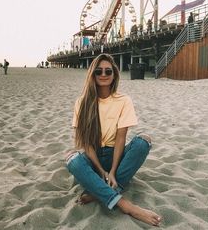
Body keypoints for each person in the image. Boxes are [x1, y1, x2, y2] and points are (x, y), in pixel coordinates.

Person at [66, 53, 162, 227]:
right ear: (92, 74)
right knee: (72, 159)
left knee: (143, 141)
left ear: (114, 74)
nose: (103, 74)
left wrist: (112, 171)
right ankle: (125, 205)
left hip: (115, 155)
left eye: (108, 71)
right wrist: (101, 170)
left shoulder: (123, 100)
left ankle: (97, 192)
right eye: (99, 71)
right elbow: (86, 143)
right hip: (93, 157)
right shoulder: (82, 102)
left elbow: (120, 138)